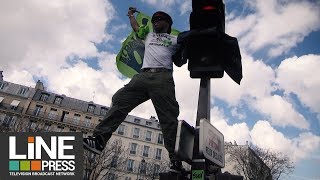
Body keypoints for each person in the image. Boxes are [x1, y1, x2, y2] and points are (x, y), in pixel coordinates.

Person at [83, 7, 186, 172]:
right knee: (119, 99)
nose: (156, 22)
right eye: (154, 20)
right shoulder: (149, 35)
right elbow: (136, 28)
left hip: (162, 78)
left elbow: (181, 60)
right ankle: (99, 140)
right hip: (143, 76)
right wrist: (131, 15)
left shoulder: (175, 40)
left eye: (159, 20)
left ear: (167, 23)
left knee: (168, 118)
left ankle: (175, 161)